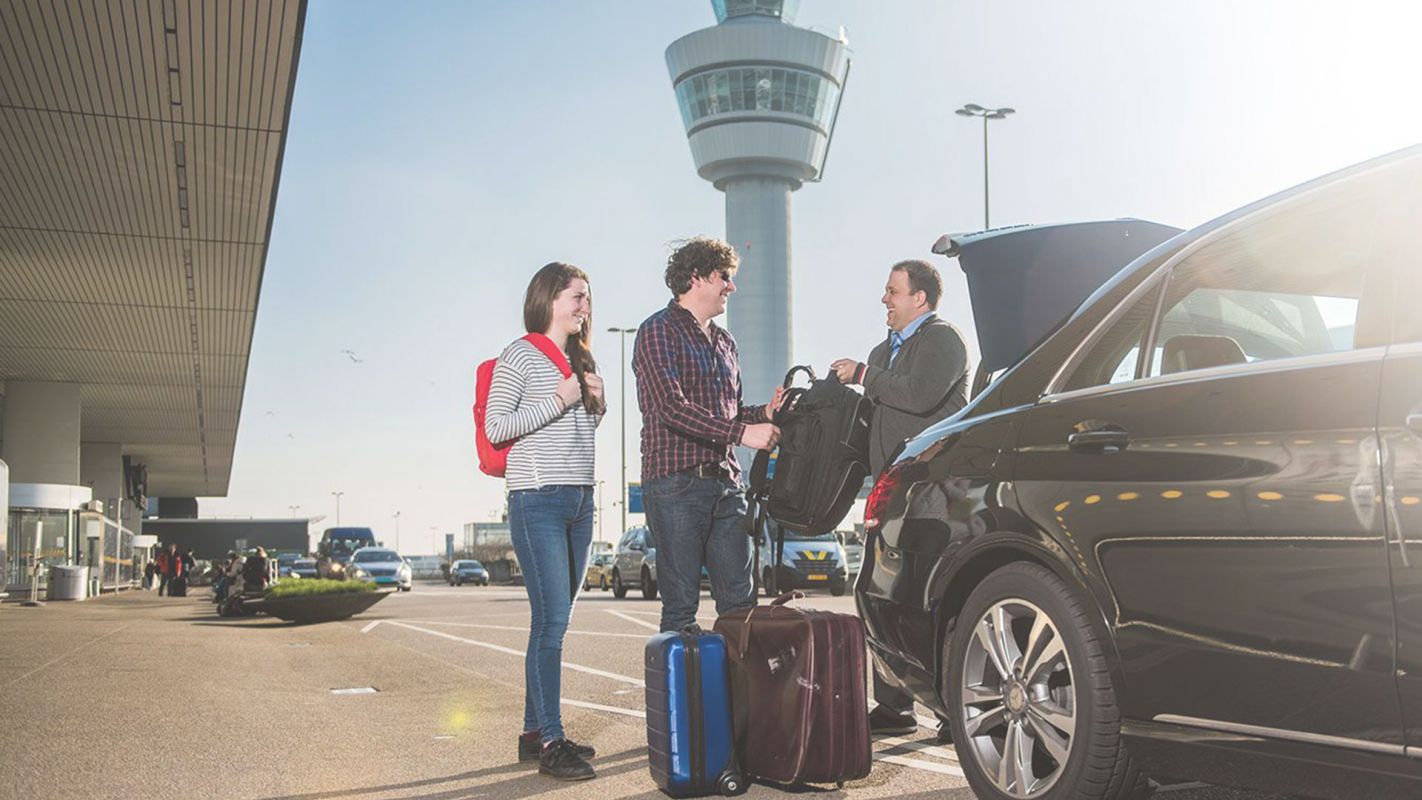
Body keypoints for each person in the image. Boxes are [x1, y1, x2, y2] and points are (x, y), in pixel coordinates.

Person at [830, 258, 969, 742]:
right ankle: (893, 706)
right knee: (883, 595)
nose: (885, 299)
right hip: (890, 492)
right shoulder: (880, 350)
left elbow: (920, 395)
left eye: (893, 291)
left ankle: (955, 710)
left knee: (932, 597)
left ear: (920, 299)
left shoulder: (943, 340)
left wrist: (865, 373)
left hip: (933, 492)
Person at [484, 262, 606, 782]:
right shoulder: (521, 354)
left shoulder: (580, 359)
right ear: (548, 298)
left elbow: (580, 433)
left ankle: (535, 733)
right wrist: (562, 398)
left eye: (586, 298)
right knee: (552, 622)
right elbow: (496, 428)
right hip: (537, 499)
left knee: (554, 620)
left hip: (580, 501)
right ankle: (553, 741)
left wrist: (596, 405)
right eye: (575, 297)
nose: (583, 306)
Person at [632, 237, 784, 635]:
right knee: (681, 608)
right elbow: (672, 407)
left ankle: (738, 699)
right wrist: (743, 432)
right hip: (675, 485)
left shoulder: (725, 342)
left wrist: (764, 414)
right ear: (696, 277)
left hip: (726, 486)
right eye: (725, 277)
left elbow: (731, 412)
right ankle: (686, 698)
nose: (731, 287)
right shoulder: (657, 331)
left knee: (740, 606)